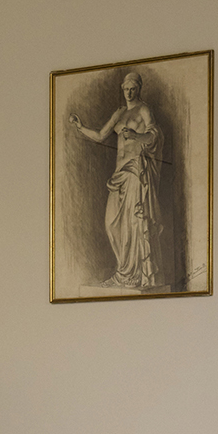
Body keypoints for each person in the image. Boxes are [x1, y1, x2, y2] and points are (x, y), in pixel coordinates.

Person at [69, 70, 164, 290]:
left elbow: (155, 134)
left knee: (133, 224)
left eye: (133, 89)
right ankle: (123, 272)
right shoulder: (120, 112)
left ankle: (132, 276)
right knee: (111, 224)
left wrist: (136, 136)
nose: (129, 92)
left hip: (135, 171)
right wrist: (80, 126)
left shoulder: (144, 109)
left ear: (138, 89)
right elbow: (101, 135)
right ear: (122, 89)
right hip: (119, 175)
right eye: (126, 89)